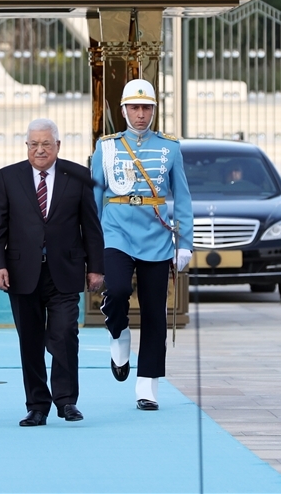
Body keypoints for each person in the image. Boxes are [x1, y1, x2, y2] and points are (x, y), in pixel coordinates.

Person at [0, 118, 104, 427]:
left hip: (64, 271)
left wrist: (96, 268)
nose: (40, 150)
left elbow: (91, 226)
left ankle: (66, 401)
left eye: (46, 144)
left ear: (58, 146)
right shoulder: (9, 177)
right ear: (27, 146)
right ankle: (37, 404)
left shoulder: (77, 176)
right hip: (22, 272)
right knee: (30, 339)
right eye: (34, 144)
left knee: (65, 334)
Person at [91, 79, 193, 410]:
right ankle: (118, 334)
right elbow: (94, 197)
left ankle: (148, 383)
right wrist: (90, 244)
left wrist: (185, 242)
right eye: (134, 108)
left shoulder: (170, 148)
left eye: (146, 108)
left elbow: (183, 198)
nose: (140, 114)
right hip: (116, 230)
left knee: (154, 312)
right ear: (123, 110)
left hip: (156, 234)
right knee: (117, 290)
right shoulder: (105, 147)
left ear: (154, 111)